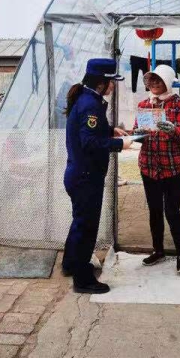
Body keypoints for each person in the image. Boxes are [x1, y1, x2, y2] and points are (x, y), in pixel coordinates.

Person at [62, 58, 133, 294]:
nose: (113, 86)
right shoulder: (90, 104)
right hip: (86, 178)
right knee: (86, 228)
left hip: (79, 174)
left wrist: (110, 130)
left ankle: (70, 264)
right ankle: (83, 280)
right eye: (111, 82)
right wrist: (120, 144)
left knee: (79, 223)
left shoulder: (85, 98)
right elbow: (90, 142)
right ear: (101, 83)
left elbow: (87, 131)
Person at [133, 64, 180, 274]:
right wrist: (137, 133)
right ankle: (158, 250)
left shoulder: (179, 104)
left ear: (167, 81)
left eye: (158, 80)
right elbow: (138, 134)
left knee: (172, 212)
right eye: (151, 81)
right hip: (149, 167)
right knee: (154, 211)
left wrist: (173, 130)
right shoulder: (144, 104)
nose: (154, 84)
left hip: (172, 167)